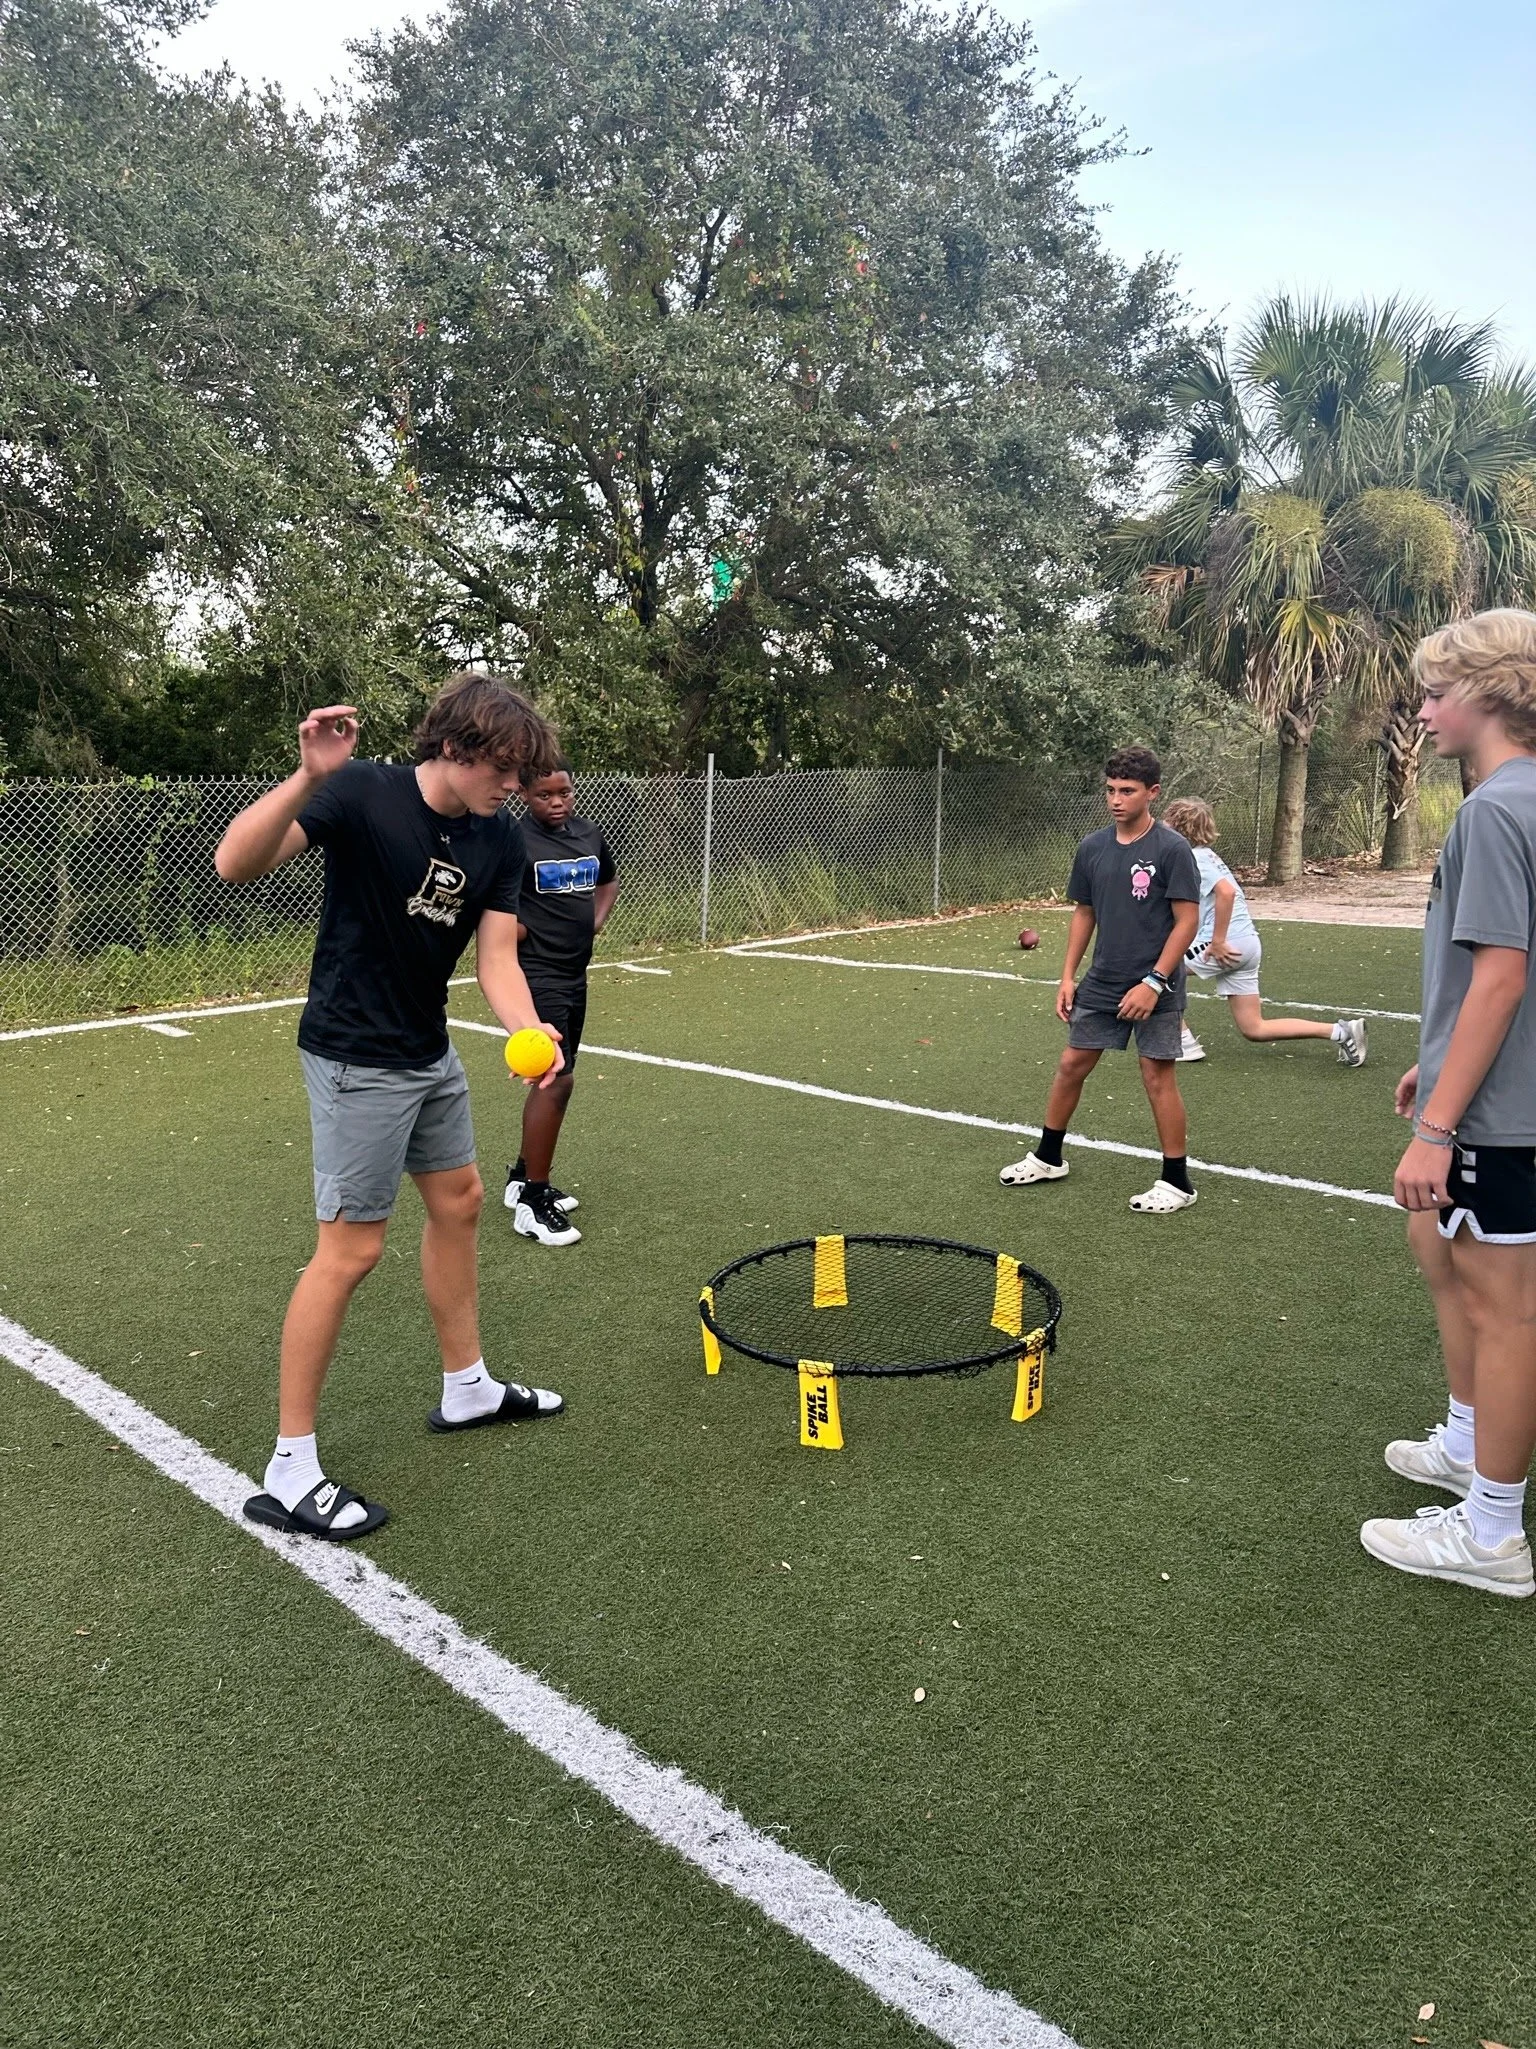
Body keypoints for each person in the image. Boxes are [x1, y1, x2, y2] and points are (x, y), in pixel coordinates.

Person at [213, 674, 569, 1542]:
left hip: (425, 1048)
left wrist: (531, 1034)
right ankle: (290, 1467)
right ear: (456, 744)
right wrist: (306, 776)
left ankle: (467, 1385)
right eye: (505, 770)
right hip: (352, 1054)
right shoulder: (363, 791)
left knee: (462, 1200)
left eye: (524, 777)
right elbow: (235, 862)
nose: (514, 789)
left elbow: (495, 959)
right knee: (349, 1249)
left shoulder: (498, 839)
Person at [1359, 611, 1536, 1597]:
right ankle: (1471, 1447)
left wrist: (1439, 1128)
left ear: (1492, 695)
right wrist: (1439, 1064)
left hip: (1502, 1116)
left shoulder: (1496, 810)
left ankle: (1491, 1536)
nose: (1422, 711)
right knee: (1442, 1255)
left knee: (1506, 1311)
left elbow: (1502, 978)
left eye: (1435, 692)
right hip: (1496, 1094)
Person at [1000, 746, 1203, 1214]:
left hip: (1157, 986)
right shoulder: (1092, 847)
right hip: (1104, 982)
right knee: (1072, 1064)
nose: (1116, 799)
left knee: (1157, 1076)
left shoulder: (1171, 849)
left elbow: (1186, 922)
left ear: (1152, 793)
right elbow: (1084, 912)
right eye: (1110, 790)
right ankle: (1049, 1157)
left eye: (1127, 791)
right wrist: (1068, 976)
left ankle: (1177, 1182)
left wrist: (1153, 982)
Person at [503, 758, 619, 1247]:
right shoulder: (514, 841)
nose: (555, 803)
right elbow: (494, 911)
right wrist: (525, 933)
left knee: (559, 1074)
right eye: (543, 795)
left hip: (576, 972)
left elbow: (608, 881)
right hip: (538, 974)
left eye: (563, 793)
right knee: (558, 1079)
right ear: (524, 796)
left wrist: (592, 922)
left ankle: (519, 1176)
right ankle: (533, 1198)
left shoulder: (589, 835)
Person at [1160, 797, 1368, 1068]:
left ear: (1178, 827)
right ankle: (1341, 1032)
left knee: (1155, 970)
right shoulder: (1207, 855)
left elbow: (1227, 892)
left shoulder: (1193, 859)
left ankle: (1183, 1043)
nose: (1161, 825)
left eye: (1167, 821)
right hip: (1247, 944)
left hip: (1225, 944)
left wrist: (1218, 940)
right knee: (1254, 1028)